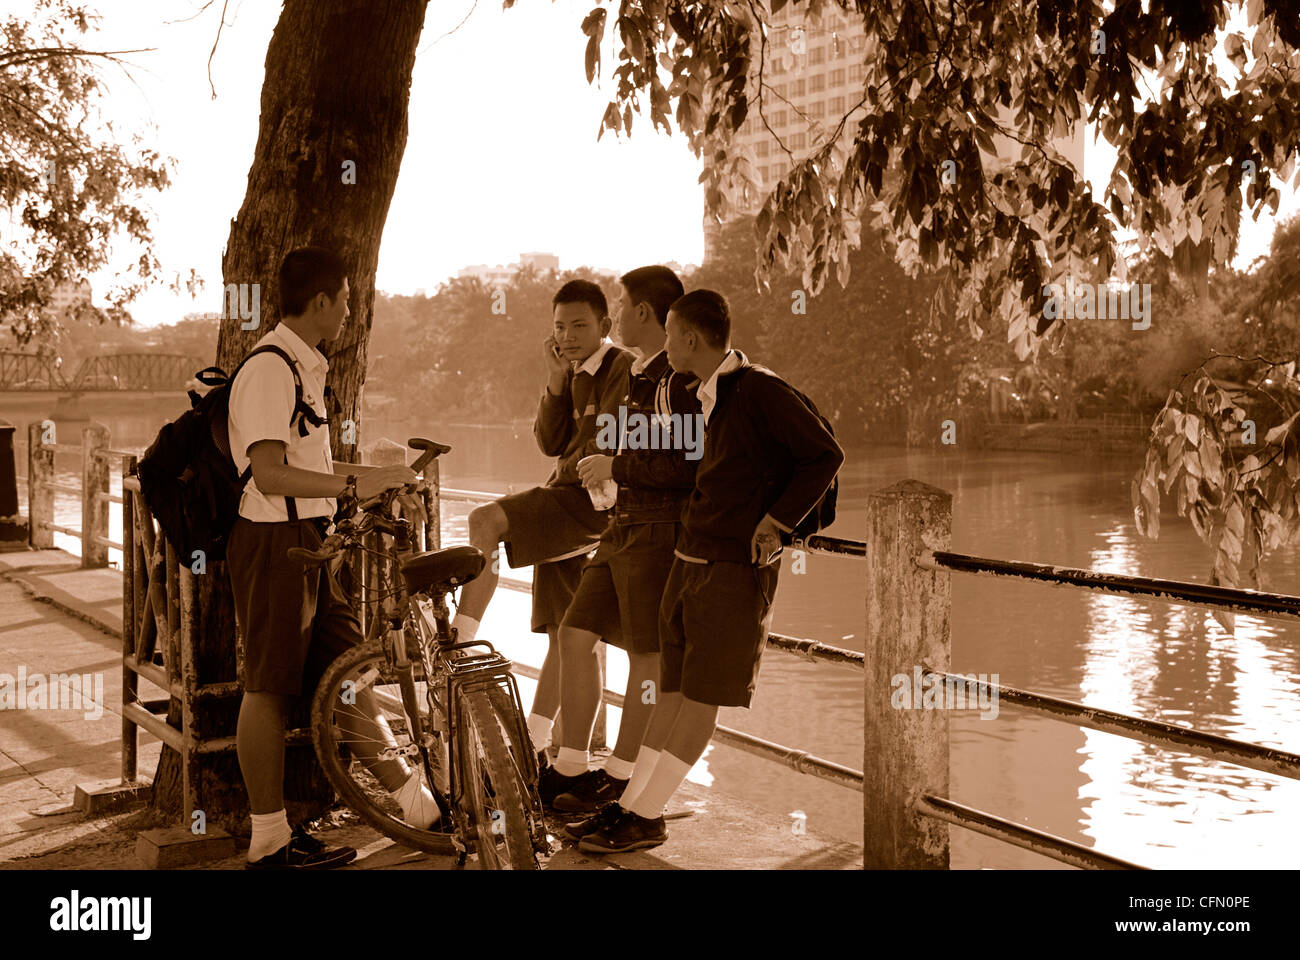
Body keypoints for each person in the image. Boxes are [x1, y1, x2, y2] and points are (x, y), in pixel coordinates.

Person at [567, 288, 844, 853]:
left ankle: (647, 815)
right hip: (688, 559)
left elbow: (825, 455)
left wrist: (777, 522)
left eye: (670, 334)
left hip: (733, 569)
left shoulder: (759, 390)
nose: (665, 346)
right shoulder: (704, 393)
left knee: (701, 696)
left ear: (690, 338)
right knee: (672, 687)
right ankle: (629, 807)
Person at [228, 246, 436, 869]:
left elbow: (314, 468)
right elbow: (268, 474)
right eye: (346, 299)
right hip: (274, 547)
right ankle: (268, 842)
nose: (350, 310)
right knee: (267, 690)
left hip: (313, 547)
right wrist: (353, 487)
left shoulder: (304, 366)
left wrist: (379, 475)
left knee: (349, 671)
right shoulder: (270, 369)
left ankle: (417, 803)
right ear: (320, 302)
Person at [451, 280, 634, 768]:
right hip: (568, 497)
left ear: (604, 327)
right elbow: (550, 444)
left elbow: (605, 440)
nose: (568, 335)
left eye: (579, 325)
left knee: (483, 518)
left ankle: (459, 639)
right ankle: (534, 746)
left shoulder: (622, 367)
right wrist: (555, 382)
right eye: (559, 326)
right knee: (565, 631)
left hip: (589, 503)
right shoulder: (572, 373)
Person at [546, 265, 701, 811]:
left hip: (658, 529)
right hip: (622, 524)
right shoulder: (639, 374)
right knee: (573, 633)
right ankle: (570, 766)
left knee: (646, 657)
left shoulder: (679, 381)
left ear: (641, 312)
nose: (617, 313)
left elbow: (685, 465)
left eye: (621, 303)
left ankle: (621, 772)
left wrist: (617, 463)